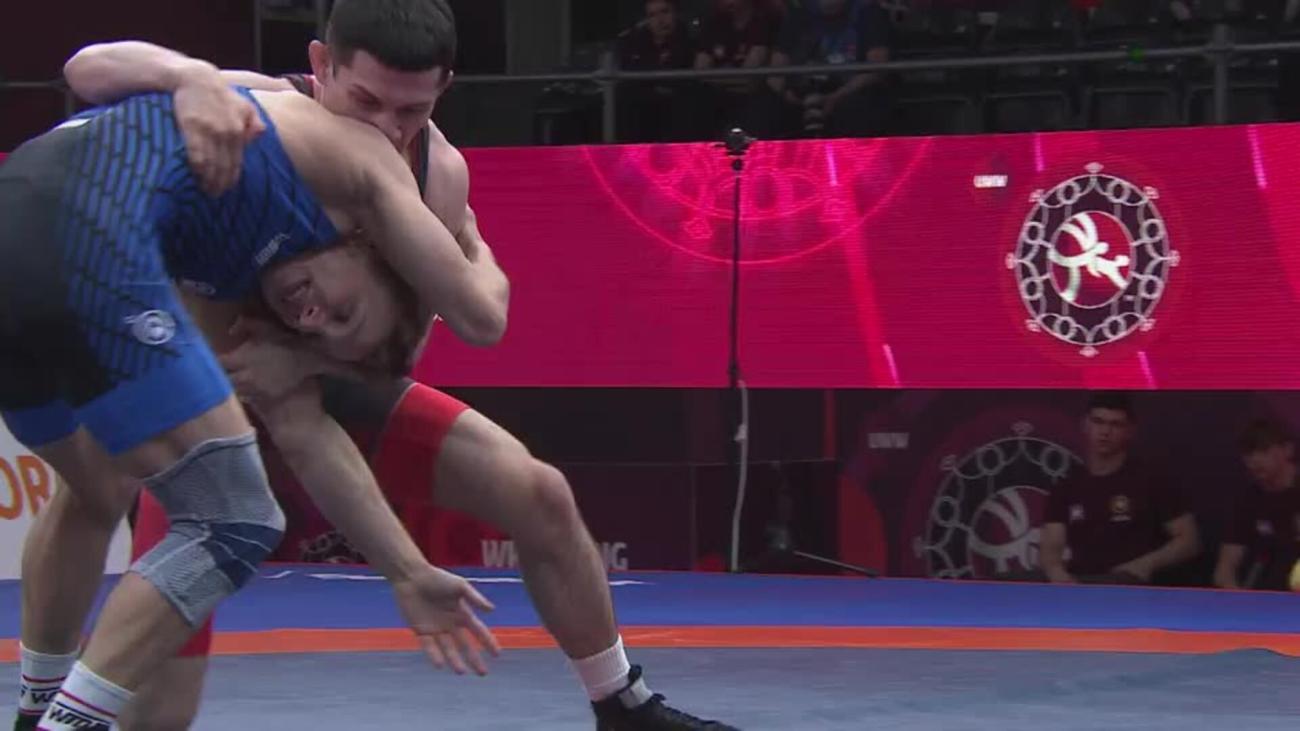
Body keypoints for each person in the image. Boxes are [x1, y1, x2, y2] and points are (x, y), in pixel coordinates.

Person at [48, 2, 740, 729]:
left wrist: (303, 355)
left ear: (445, 87)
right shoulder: (261, 113)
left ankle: (622, 701)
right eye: (366, 101)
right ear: (322, 66)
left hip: (327, 393)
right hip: (212, 411)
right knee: (159, 706)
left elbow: (403, 350)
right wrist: (190, 77)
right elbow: (87, 68)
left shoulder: (435, 174)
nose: (386, 128)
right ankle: (46, 695)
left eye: (412, 109)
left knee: (540, 493)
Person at [1, 78, 510, 730]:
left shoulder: (261, 187)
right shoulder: (328, 181)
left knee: (98, 487)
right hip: (78, 243)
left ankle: (37, 706)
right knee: (235, 520)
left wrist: (407, 570)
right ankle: (69, 722)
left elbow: (90, 63)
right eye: (343, 311)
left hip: (20, 215)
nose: (313, 318)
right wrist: (477, 252)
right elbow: (482, 319)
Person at [1032, 392, 1201, 585]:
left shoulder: (1151, 479)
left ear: (1130, 431)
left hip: (1130, 583)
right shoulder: (1067, 485)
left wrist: (1145, 565)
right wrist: (1056, 572)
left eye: (1116, 424)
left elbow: (1189, 541)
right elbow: (1051, 547)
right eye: (1098, 422)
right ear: (1085, 425)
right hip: (1081, 584)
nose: (1105, 431)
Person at [1213, 417, 1300, 591]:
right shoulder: (1248, 500)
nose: (1254, 460)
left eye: (1264, 450)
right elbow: (1224, 570)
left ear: (1288, 449)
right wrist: (1238, 599)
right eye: (1249, 454)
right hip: (1265, 597)